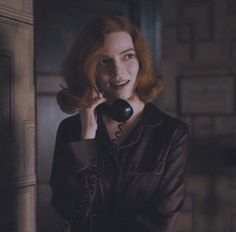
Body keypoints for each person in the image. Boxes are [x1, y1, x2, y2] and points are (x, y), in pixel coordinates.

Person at [50, 15, 189, 232]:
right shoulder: (70, 130)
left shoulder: (172, 133)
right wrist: (87, 136)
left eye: (128, 56)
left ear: (140, 60)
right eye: (105, 61)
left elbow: (162, 219)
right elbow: (69, 210)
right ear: (90, 69)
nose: (118, 71)